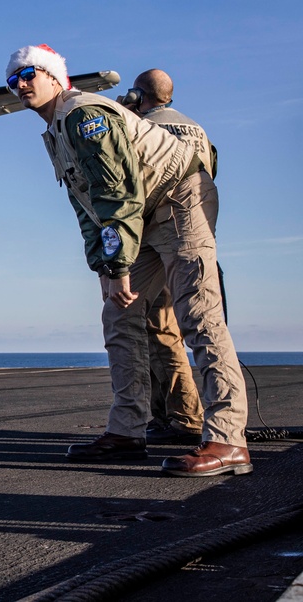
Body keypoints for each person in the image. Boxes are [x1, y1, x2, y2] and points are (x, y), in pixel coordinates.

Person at [5, 44, 251, 477]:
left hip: (179, 199)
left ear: (56, 77)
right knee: (120, 316)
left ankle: (228, 440)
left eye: (29, 74)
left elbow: (115, 193)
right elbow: (87, 207)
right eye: (14, 80)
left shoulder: (84, 113)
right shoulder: (56, 131)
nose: (21, 84)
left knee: (198, 315)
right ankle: (127, 431)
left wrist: (117, 266)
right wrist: (105, 269)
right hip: (139, 214)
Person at [121, 69, 210, 445]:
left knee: (161, 329)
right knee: (185, 325)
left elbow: (131, 185)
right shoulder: (196, 129)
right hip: (192, 233)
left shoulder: (142, 130)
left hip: (154, 239)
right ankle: (171, 414)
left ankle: (186, 417)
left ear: (138, 96)